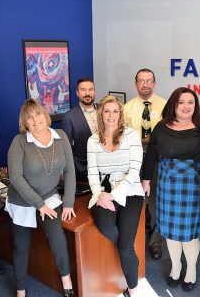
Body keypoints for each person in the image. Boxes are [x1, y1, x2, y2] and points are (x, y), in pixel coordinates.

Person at [142, 87, 200, 292]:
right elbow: (151, 154)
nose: (186, 106)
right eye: (181, 102)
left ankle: (191, 269)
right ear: (173, 104)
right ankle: (176, 267)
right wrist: (146, 179)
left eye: (190, 102)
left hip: (194, 186)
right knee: (171, 233)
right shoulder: (162, 126)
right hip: (167, 185)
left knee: (190, 234)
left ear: (195, 105)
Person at [7, 99, 76, 297]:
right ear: (25, 122)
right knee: (21, 247)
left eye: (38, 114)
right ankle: (21, 290)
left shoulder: (60, 136)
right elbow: (15, 177)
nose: (35, 120)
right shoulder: (19, 142)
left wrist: (69, 202)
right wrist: (39, 205)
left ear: (45, 116)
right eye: (29, 117)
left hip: (50, 198)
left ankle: (67, 283)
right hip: (22, 201)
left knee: (58, 238)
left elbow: (70, 171)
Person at [87, 95, 144, 296]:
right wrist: (100, 194)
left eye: (115, 111)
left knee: (125, 246)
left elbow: (134, 170)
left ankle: (133, 289)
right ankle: (128, 252)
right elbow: (92, 173)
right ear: (101, 114)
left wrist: (115, 195)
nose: (111, 115)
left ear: (120, 114)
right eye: (107, 111)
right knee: (107, 227)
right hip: (103, 191)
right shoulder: (93, 140)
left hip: (130, 191)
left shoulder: (131, 135)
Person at [124, 68, 167, 260]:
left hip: (157, 160)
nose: (145, 85)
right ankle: (136, 237)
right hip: (134, 159)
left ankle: (155, 242)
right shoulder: (127, 108)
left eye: (149, 81)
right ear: (136, 84)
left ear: (155, 83)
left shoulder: (166, 106)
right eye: (141, 81)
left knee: (155, 203)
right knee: (136, 201)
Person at [62, 78, 98, 182]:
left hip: (108, 165)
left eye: (91, 89)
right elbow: (66, 148)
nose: (87, 93)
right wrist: (77, 169)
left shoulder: (104, 110)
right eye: (83, 90)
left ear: (94, 92)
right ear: (77, 93)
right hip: (84, 170)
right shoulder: (69, 117)